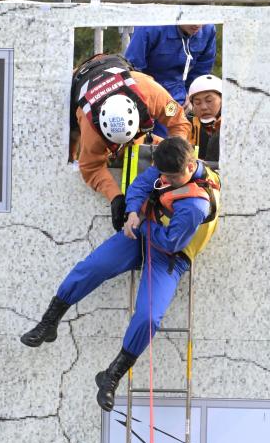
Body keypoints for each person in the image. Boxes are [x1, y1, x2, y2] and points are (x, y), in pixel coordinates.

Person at [21, 137, 220, 411]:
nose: (164, 179)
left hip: (169, 254)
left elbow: (172, 242)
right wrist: (133, 213)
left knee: (149, 316)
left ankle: (112, 376)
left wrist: (143, 228)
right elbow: (140, 184)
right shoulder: (170, 160)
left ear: (189, 167)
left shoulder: (195, 204)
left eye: (171, 177)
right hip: (144, 230)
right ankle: (49, 322)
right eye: (161, 173)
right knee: (92, 267)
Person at [70, 53, 191, 232]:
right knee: (69, 148)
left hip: (115, 67)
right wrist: (115, 197)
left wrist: (175, 153)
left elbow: (179, 120)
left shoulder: (149, 91)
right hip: (78, 81)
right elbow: (90, 167)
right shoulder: (90, 128)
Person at [125, 0, 216, 107]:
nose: (198, 24)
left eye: (203, 18)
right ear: (180, 12)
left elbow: (202, 68)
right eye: (192, 17)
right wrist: (147, 99)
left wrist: (192, 94)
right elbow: (133, 67)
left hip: (180, 92)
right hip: (149, 90)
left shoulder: (208, 30)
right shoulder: (151, 26)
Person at [187, 74, 221, 167]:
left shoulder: (233, 125)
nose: (203, 107)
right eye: (197, 103)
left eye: (209, 100)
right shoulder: (186, 126)